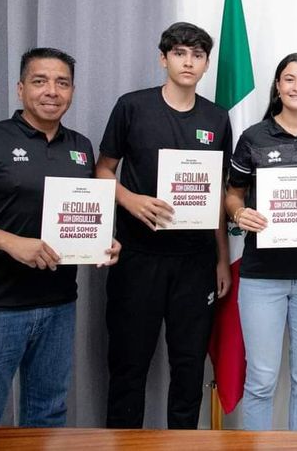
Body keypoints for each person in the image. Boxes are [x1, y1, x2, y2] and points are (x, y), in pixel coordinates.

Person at [0, 47, 120, 426]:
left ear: (71, 91)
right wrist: (9, 241)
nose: (51, 91)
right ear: (21, 89)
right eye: (40, 81)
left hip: (58, 305)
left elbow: (82, 212)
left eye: (62, 83)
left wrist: (104, 240)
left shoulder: (81, 148)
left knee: (48, 416)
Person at [96, 22, 232, 429]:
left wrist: (222, 261)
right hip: (137, 256)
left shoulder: (217, 117)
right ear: (164, 58)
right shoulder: (132, 107)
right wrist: (129, 199)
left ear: (206, 64)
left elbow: (217, 197)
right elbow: (103, 170)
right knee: (128, 365)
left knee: (189, 368)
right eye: (179, 53)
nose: (188, 62)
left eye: (197, 55)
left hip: (195, 262)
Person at [225, 52, 297, 431]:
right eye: (289, 79)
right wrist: (240, 214)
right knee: (261, 381)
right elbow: (232, 194)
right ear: (277, 86)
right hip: (262, 278)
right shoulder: (253, 137)